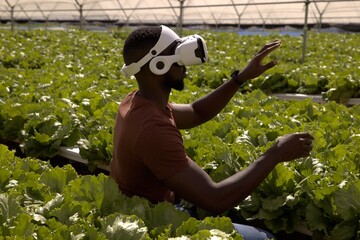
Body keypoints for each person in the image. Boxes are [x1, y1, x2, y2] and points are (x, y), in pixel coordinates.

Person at [110, 25, 314, 240]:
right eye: (177, 54)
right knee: (263, 237)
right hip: (151, 227)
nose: (185, 65)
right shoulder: (151, 128)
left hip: (154, 211)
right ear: (158, 65)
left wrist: (239, 79)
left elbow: (196, 112)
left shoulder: (139, 100)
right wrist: (275, 154)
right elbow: (215, 199)